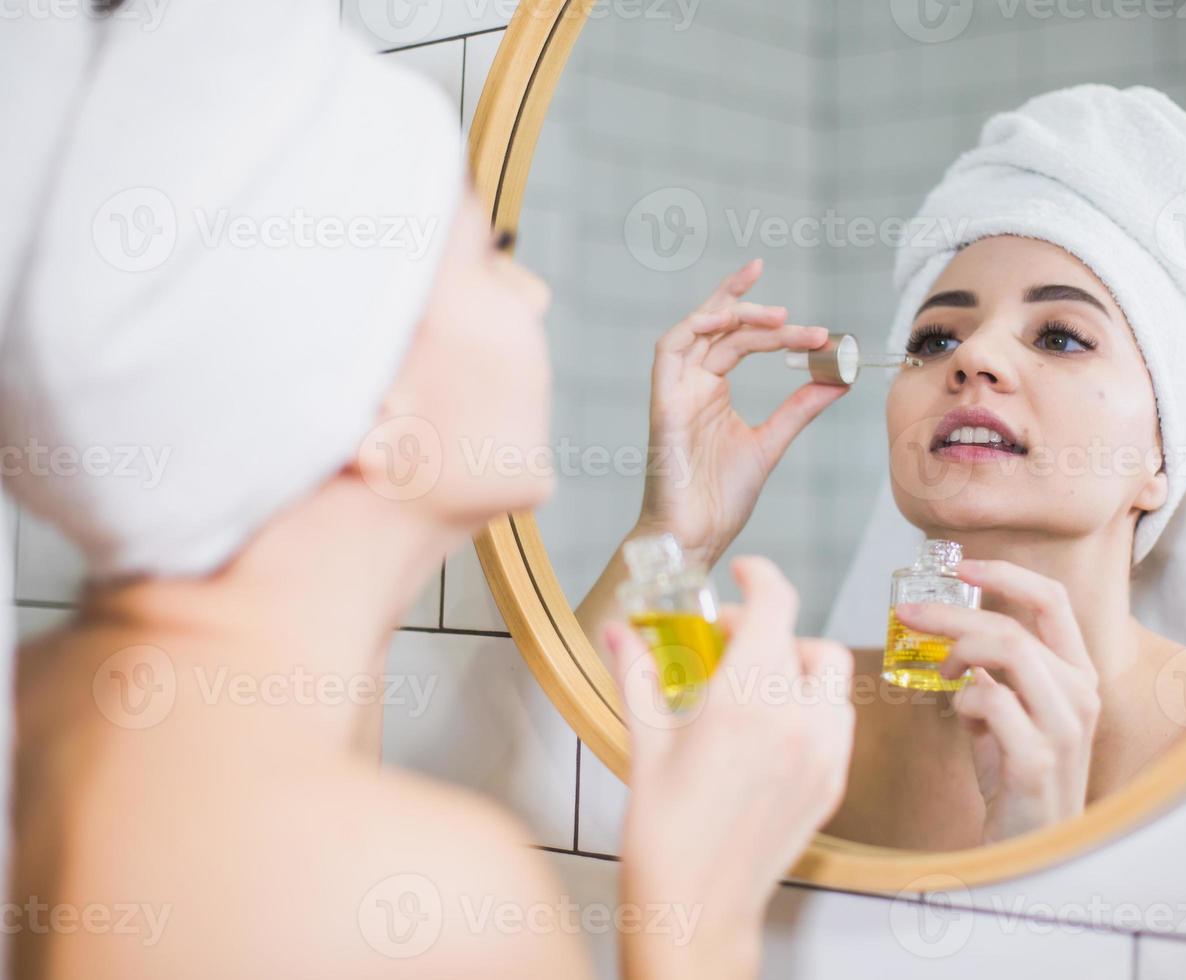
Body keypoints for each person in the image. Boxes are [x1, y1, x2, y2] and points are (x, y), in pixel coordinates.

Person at [3, 4, 853, 977]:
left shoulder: (43, 704)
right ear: (356, 386)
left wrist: (674, 529)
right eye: (492, 251)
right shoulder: (446, 902)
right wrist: (699, 922)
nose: (533, 292)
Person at [575, 84, 1186, 849]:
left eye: (1059, 336)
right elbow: (558, 787)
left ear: (1166, 451)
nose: (974, 356)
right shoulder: (807, 709)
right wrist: (678, 528)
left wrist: (1039, 849)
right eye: (935, 340)